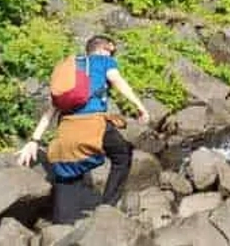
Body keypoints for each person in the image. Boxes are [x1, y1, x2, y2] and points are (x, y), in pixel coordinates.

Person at [17, 35, 150, 223]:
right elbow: (118, 81)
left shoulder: (71, 70)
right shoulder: (104, 61)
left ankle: (61, 228)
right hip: (93, 125)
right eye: (112, 52)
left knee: (68, 172)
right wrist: (140, 106)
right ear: (106, 48)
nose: (113, 55)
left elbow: (51, 110)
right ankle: (107, 208)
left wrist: (33, 141)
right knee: (123, 154)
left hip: (66, 132)